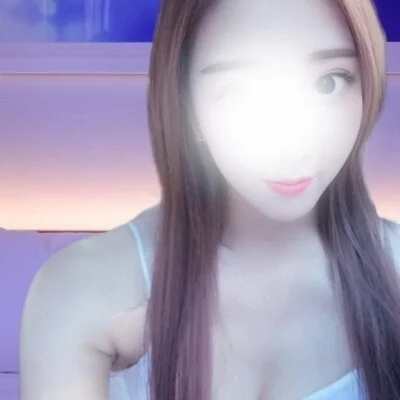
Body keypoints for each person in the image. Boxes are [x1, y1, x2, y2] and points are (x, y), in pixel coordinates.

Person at [20, 0, 400, 399]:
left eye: (328, 82)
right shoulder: (84, 288)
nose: (294, 141)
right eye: (240, 92)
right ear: (187, 106)